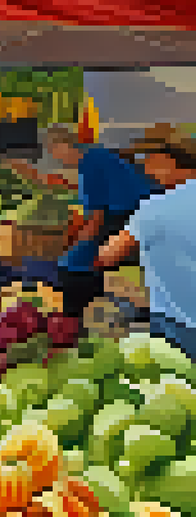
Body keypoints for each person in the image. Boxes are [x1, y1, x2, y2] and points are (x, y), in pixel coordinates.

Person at [11, 125, 155, 314]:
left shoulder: (89, 165)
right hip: (140, 213)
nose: (55, 158)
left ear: (63, 146)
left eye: (53, 151)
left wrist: (78, 249)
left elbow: (96, 220)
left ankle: (76, 314)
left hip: (129, 216)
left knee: (73, 267)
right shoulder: (95, 155)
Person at [96, 137, 196, 360]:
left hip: (178, 324)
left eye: (151, 161)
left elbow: (109, 255)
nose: (147, 171)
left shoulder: (156, 208)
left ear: (170, 162)